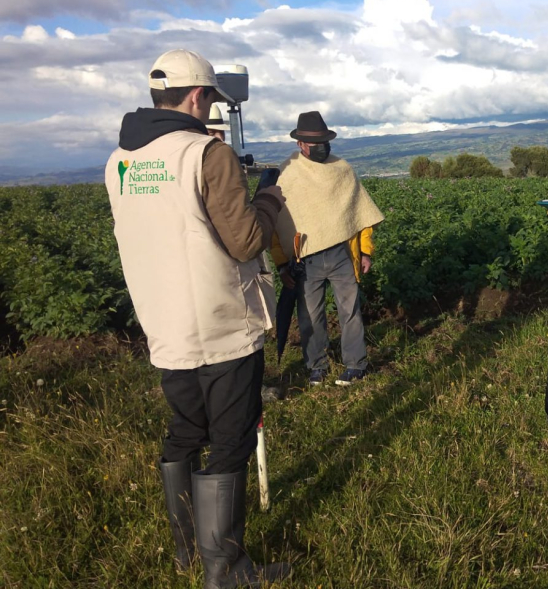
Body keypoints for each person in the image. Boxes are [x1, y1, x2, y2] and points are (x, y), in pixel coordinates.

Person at [105, 49, 290, 588]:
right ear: (197, 97)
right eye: (210, 96)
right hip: (222, 323)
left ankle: (189, 553)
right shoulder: (207, 155)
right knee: (231, 440)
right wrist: (270, 199)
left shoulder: (120, 161)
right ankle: (227, 571)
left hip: (164, 324)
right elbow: (246, 242)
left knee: (185, 431)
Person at [271, 111, 384, 386]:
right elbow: (276, 225)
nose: (322, 147)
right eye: (315, 143)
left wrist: (365, 251)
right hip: (305, 259)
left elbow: (361, 215)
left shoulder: (342, 169)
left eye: (324, 141)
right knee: (309, 316)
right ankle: (317, 367)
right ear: (300, 144)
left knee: (350, 311)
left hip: (342, 254)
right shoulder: (287, 174)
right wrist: (282, 264)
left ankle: (356, 366)